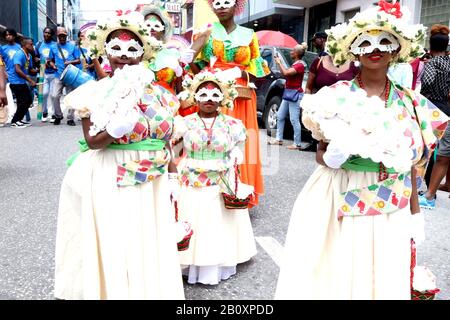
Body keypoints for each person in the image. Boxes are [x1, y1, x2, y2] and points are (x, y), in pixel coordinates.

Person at [275, 1, 448, 300]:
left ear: (396, 49)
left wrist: (416, 213)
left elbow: (411, 165)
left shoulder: (412, 103)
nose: (374, 49)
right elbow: (321, 154)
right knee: (339, 275)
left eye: (384, 41)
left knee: (380, 278)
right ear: (353, 50)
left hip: (391, 199)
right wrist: (331, 157)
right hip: (340, 192)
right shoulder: (333, 97)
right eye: (364, 42)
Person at [54, 11, 184, 300]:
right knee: (119, 238)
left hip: (152, 176)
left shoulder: (160, 94)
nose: (123, 56)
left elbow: (165, 138)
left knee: (146, 238)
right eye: (116, 49)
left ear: (143, 54)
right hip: (112, 171)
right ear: (105, 53)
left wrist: (174, 174)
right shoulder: (93, 93)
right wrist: (115, 129)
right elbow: (93, 141)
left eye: (131, 49)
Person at [173, 69, 257, 285]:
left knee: (216, 223)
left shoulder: (233, 125)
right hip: (191, 180)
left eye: (214, 95)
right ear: (194, 97)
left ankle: (216, 262)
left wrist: (235, 156)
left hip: (221, 180)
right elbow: (174, 151)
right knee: (193, 220)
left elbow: (240, 148)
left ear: (223, 98)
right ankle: (189, 260)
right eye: (203, 95)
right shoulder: (183, 123)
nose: (209, 100)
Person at [190, 0, 271, 207]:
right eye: (217, 2)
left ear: (237, 6)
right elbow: (193, 63)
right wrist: (208, 73)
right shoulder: (205, 32)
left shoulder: (249, 34)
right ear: (212, 6)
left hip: (242, 94)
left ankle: (240, 189)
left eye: (227, 2)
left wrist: (241, 72)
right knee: (214, 135)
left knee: (243, 140)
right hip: (214, 91)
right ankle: (212, 189)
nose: (222, 6)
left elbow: (259, 66)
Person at [418, 24, 450, 209]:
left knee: (426, 148)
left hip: (431, 106)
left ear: (431, 45)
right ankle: (432, 189)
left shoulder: (432, 63)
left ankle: (428, 193)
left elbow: (428, 81)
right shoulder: (448, 62)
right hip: (446, 108)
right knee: (441, 150)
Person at [268, 43, 309, 150]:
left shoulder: (300, 65)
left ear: (296, 53)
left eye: (292, 51)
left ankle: (297, 143)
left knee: (294, 119)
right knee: (280, 116)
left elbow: (286, 73)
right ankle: (279, 139)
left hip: (295, 95)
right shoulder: (296, 64)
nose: (291, 52)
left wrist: (279, 62)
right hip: (289, 93)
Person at [47, 27, 81, 126]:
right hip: (58, 75)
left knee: (71, 96)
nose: (62, 38)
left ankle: (70, 118)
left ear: (66, 36)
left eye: (63, 36)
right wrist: (53, 65)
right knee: (54, 95)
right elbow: (49, 60)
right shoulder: (53, 47)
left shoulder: (72, 46)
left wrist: (70, 62)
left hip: (70, 74)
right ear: (57, 36)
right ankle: (58, 115)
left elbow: (78, 60)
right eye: (60, 36)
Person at [8, 37, 36, 128]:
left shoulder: (29, 55)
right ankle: (15, 121)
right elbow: (17, 70)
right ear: (25, 45)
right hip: (15, 81)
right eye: (31, 44)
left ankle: (19, 119)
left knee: (28, 101)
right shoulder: (19, 54)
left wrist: (40, 69)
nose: (33, 46)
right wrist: (30, 80)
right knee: (24, 101)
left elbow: (30, 69)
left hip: (21, 81)